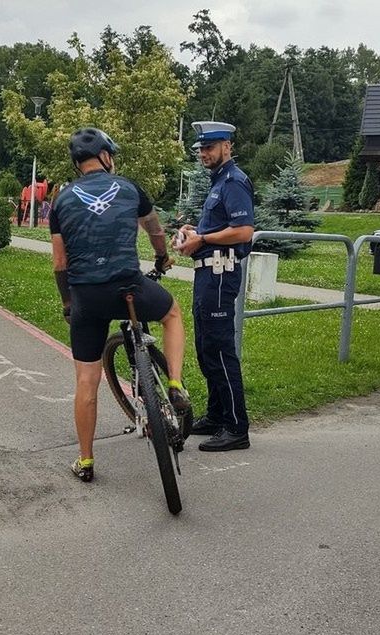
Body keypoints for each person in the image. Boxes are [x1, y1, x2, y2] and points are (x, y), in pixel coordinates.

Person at [51, 127, 190, 482]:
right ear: (105, 156)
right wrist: (161, 259)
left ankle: (85, 461)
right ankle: (174, 384)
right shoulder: (129, 188)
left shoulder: (61, 201)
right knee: (172, 314)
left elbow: (60, 263)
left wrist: (69, 303)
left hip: (87, 296)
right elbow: (155, 230)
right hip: (129, 288)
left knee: (86, 379)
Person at [173, 121, 254, 452]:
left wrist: (202, 238)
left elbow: (244, 231)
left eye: (210, 147)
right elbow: (222, 225)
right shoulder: (219, 181)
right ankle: (219, 415)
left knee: (220, 350)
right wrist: (195, 230)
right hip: (208, 275)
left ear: (227, 147)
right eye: (201, 149)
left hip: (220, 276)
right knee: (207, 348)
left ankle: (237, 427)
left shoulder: (234, 181)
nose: (204, 154)